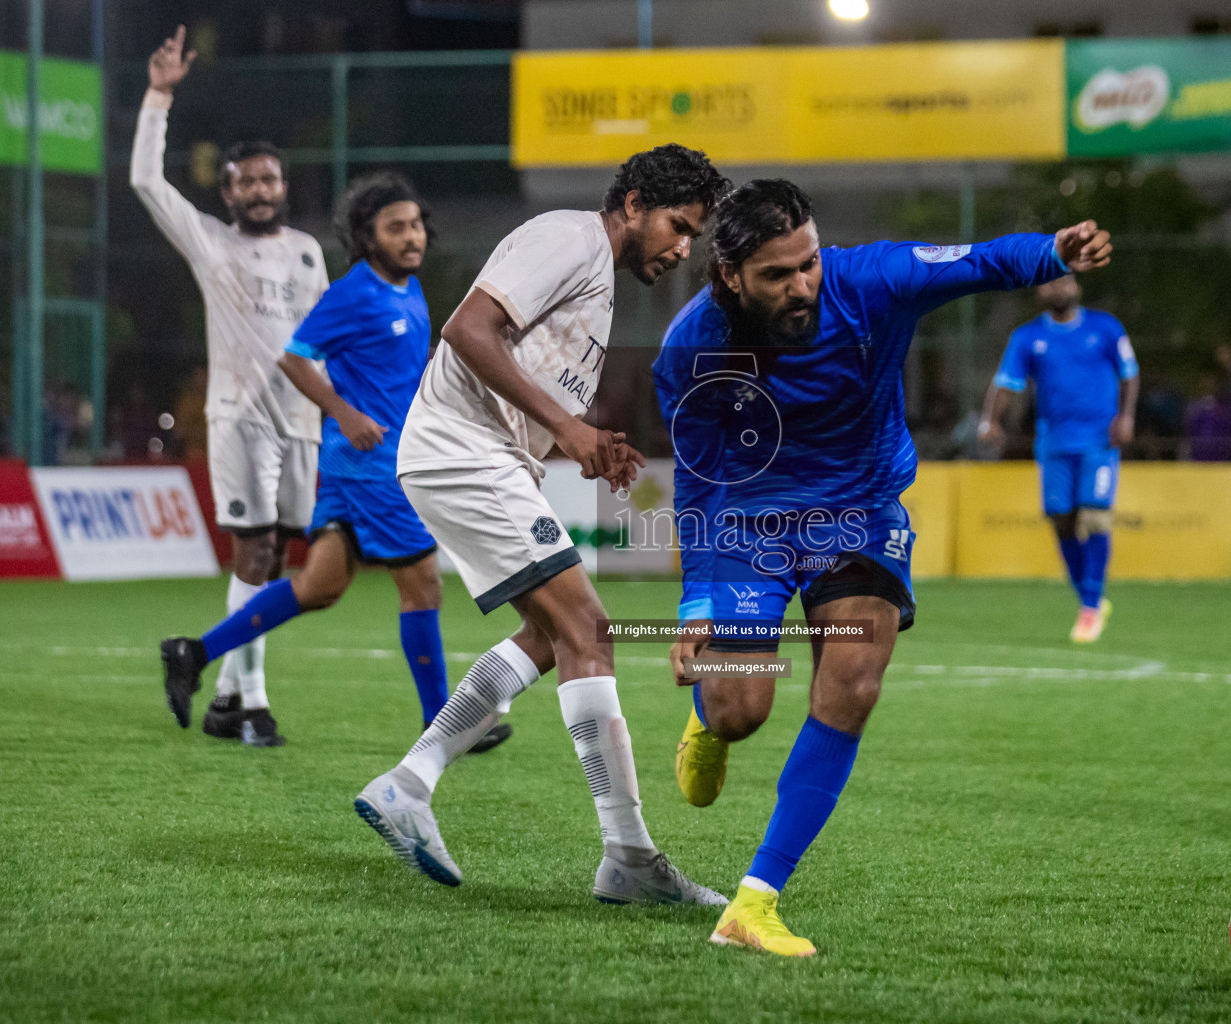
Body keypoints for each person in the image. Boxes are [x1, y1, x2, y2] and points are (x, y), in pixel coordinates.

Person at [657, 179, 1112, 955]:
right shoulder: (691, 347)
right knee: (743, 708)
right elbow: (698, 480)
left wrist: (1050, 253)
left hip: (859, 515)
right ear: (729, 274)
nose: (803, 285)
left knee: (855, 681)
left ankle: (755, 901)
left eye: (808, 263)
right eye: (777, 274)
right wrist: (698, 606)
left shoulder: (868, 280)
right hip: (747, 524)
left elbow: (975, 262)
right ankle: (710, 721)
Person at [353, 145, 731, 907]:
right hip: (463, 454)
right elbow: (468, 330)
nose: (684, 248)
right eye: (678, 226)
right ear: (632, 204)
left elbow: (526, 371)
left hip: (481, 459)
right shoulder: (569, 238)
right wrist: (572, 427)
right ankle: (627, 854)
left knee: (555, 637)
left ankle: (410, 782)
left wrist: (585, 444)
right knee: (591, 630)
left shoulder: (593, 271)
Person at [160, 172, 508, 754]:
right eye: (395, 228)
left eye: (415, 224)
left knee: (318, 587)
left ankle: (191, 653)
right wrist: (344, 413)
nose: (411, 236)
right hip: (372, 465)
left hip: (365, 464)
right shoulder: (355, 293)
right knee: (422, 588)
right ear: (367, 238)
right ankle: (442, 726)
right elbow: (294, 358)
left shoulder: (410, 289)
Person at [134, 27, 327, 743]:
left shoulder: (308, 253)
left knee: (276, 559)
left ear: (282, 186)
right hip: (240, 419)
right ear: (229, 191)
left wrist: (335, 414)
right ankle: (251, 703)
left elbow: (323, 341)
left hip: (302, 423)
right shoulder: (210, 242)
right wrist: (159, 95)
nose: (259, 190)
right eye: (246, 181)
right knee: (253, 552)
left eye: (269, 179)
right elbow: (147, 183)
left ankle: (224, 696)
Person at [980, 275, 1138, 642]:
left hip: (1099, 440)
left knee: (1096, 518)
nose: (1057, 289)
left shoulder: (1106, 327)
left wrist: (1127, 416)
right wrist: (990, 420)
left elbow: (1130, 373)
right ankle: (1090, 598)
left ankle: (1089, 609)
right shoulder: (1027, 337)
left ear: (1078, 288)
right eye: (1049, 283)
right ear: (1039, 292)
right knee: (1063, 522)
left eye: (1064, 282)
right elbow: (1006, 382)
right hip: (1053, 443)